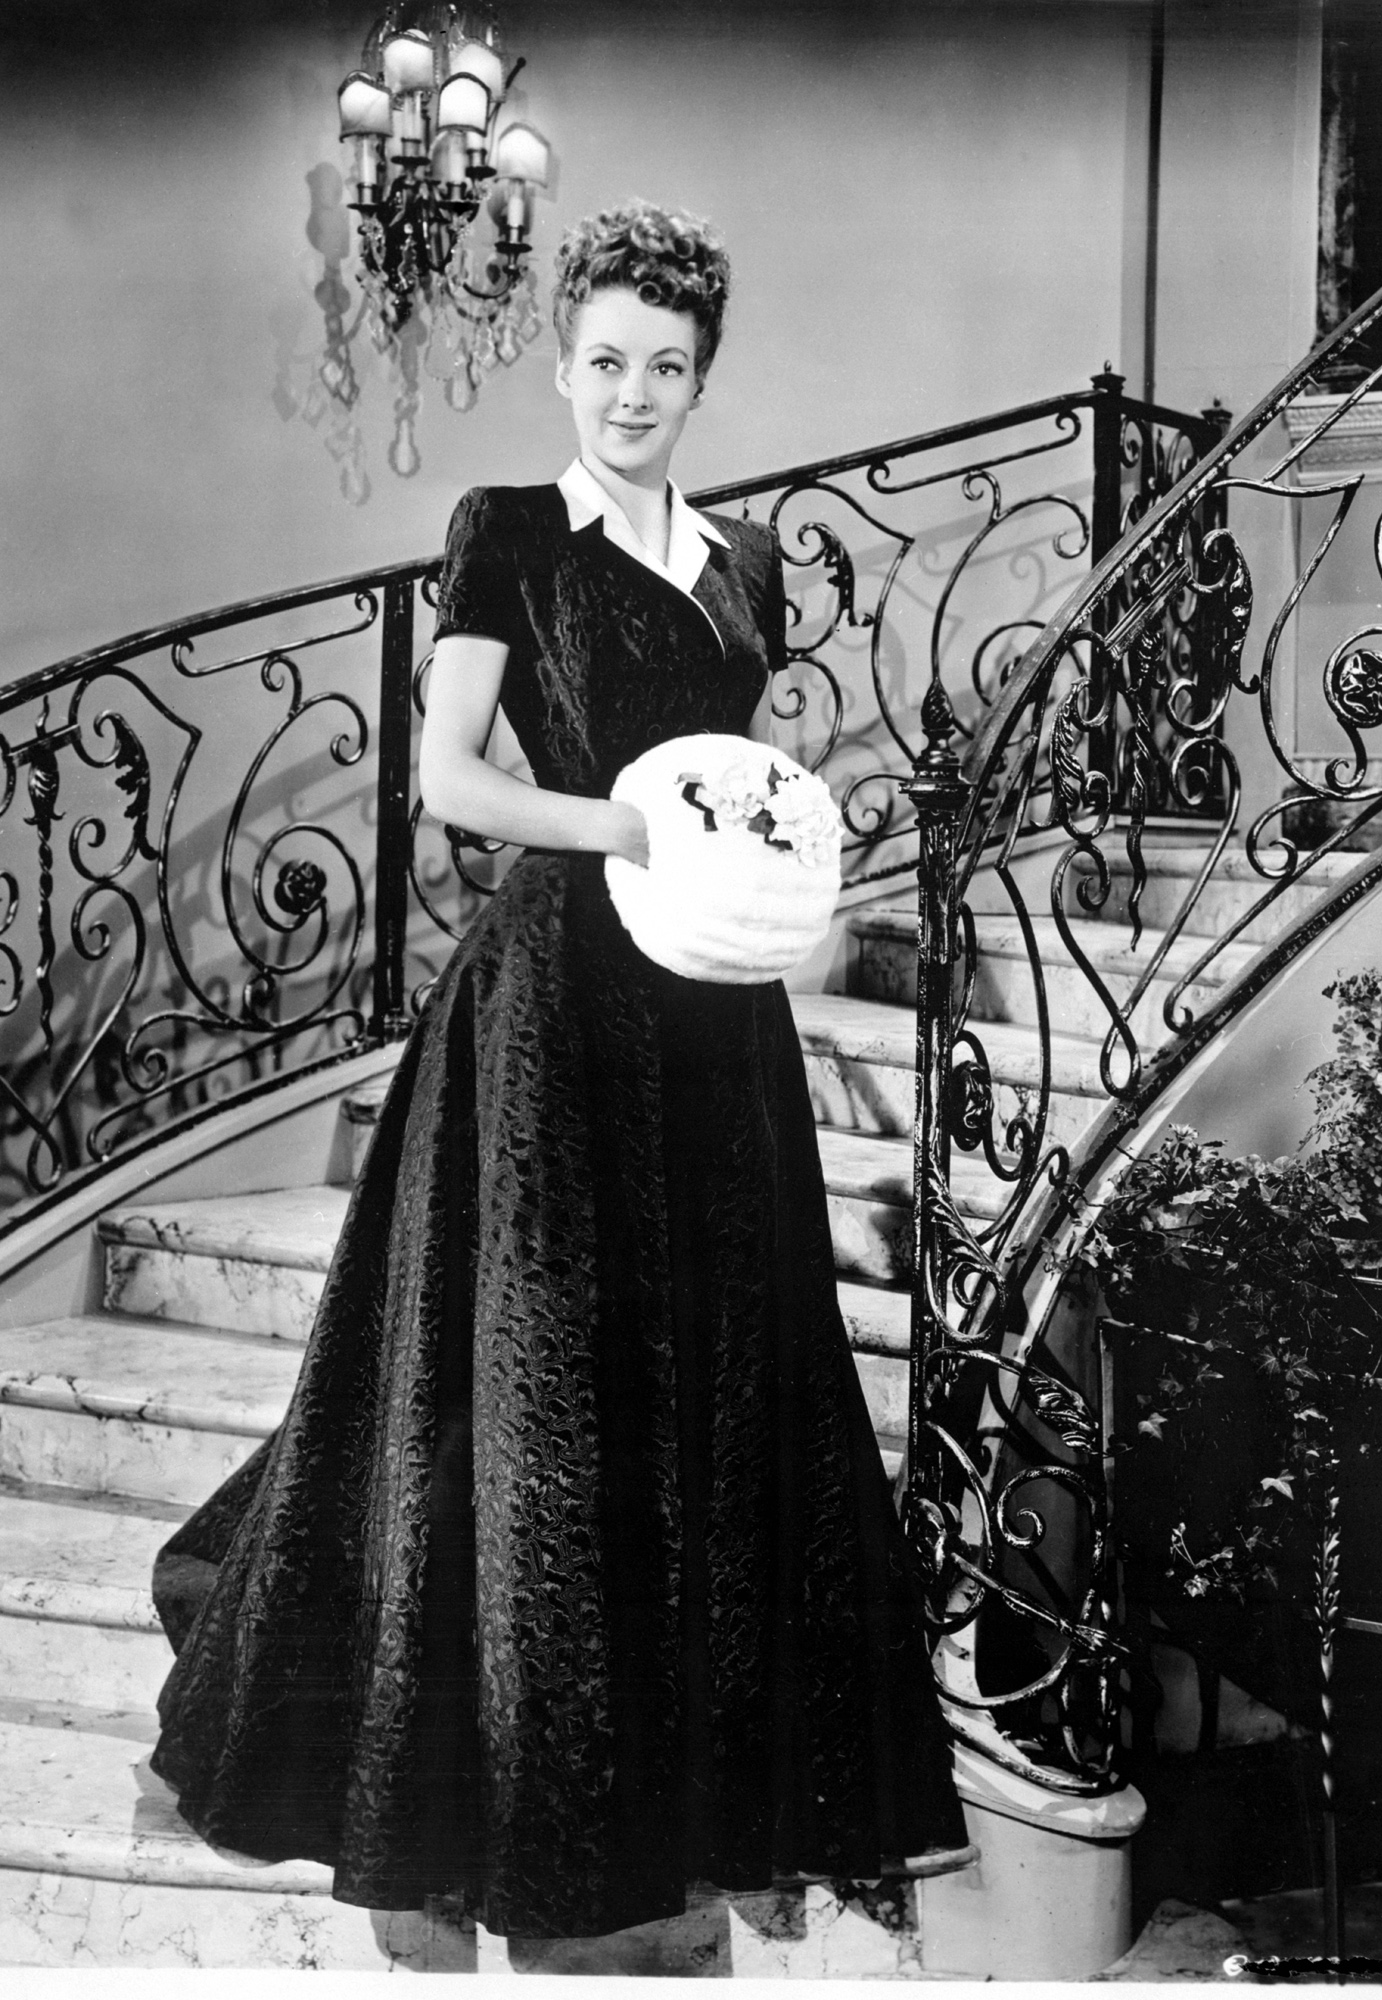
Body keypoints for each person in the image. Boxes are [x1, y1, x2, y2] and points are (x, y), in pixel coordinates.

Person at [149, 199, 972, 1942]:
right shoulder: (510, 529)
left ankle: (673, 1780)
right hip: (549, 999)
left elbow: (737, 776)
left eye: (664, 366)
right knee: (535, 1389)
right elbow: (447, 774)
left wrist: (766, 882)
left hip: (709, 1012)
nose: (631, 393)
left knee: (714, 1372)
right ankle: (518, 1787)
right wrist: (625, 827)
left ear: (702, 378)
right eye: (604, 361)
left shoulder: (747, 558)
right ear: (562, 365)